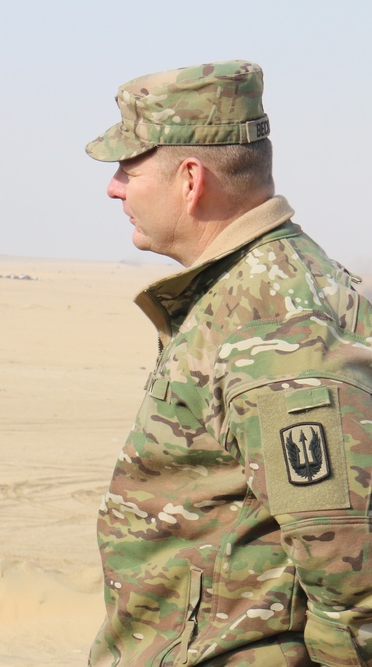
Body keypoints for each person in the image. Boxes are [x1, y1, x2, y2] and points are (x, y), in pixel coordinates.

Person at [85, 60, 372, 666]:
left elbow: (350, 573)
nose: (113, 187)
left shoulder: (272, 321)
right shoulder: (244, 291)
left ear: (190, 180)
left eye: (128, 169)